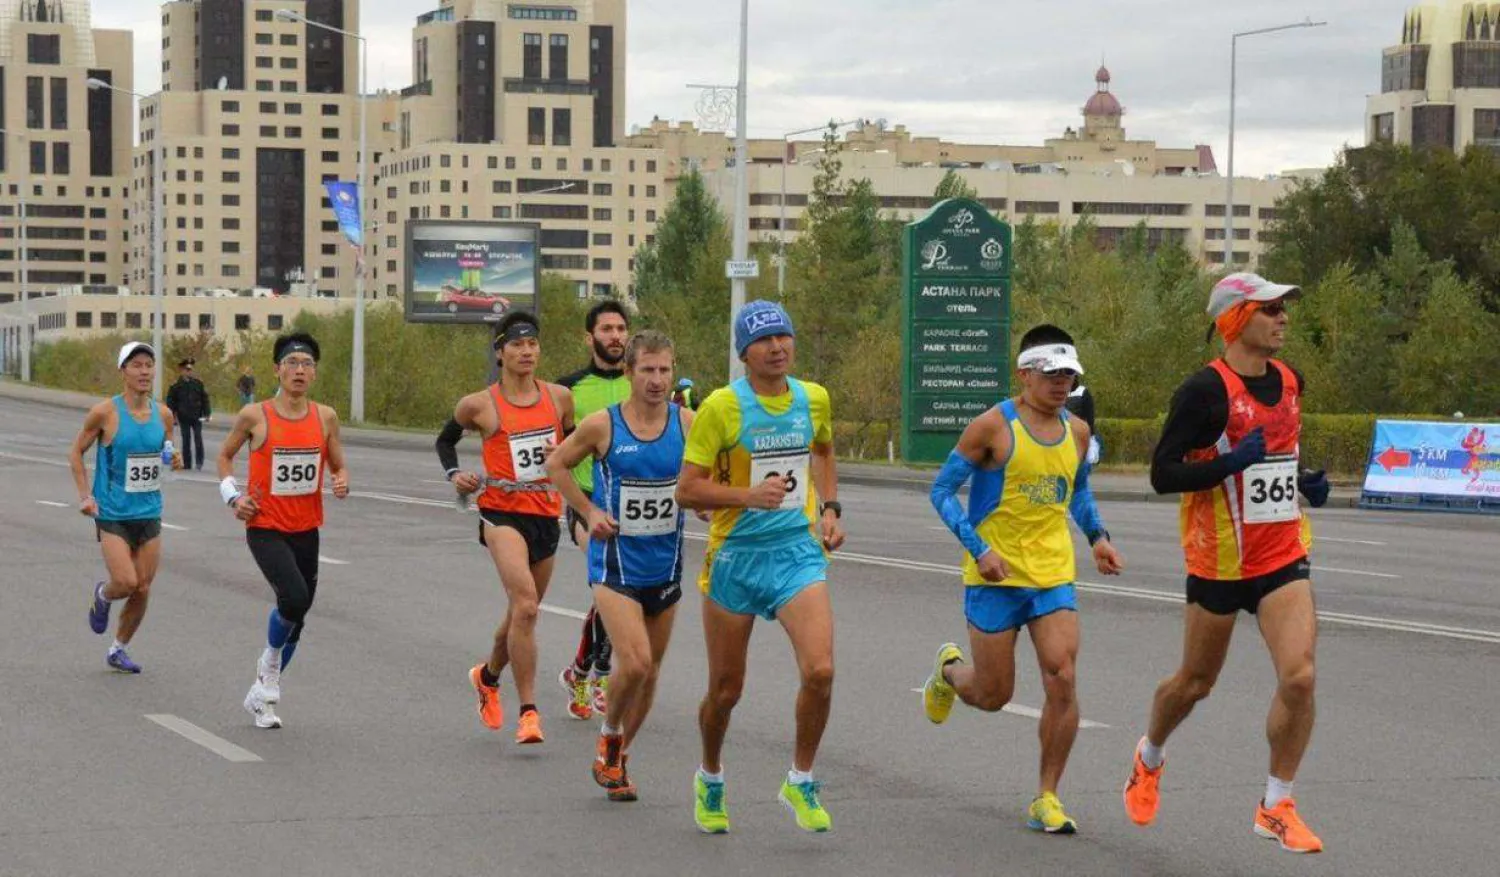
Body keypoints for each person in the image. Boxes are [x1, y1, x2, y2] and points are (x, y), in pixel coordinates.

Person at [1124, 273, 1331, 854]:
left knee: (1301, 675)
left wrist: (1302, 480)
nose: (1283, 318)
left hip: (1282, 553)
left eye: (1284, 307)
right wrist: (1230, 463)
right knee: (1194, 684)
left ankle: (1276, 803)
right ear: (1237, 319)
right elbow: (1163, 474)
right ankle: (1149, 757)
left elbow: (1280, 454)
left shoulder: (1292, 380)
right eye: (1270, 309)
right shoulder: (1203, 393)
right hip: (1218, 561)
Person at [923, 326, 1124, 835]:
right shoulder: (992, 427)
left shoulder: (1078, 432)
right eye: (1052, 375)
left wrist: (1097, 535)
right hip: (995, 575)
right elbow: (943, 491)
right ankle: (948, 673)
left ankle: (1047, 796)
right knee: (992, 695)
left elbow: (1076, 492)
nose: (1061, 385)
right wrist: (981, 549)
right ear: (1025, 374)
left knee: (1063, 675)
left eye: (1069, 377)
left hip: (1052, 573)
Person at [676, 300, 845, 835]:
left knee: (820, 670)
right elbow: (687, 490)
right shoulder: (722, 408)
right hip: (735, 558)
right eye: (764, 340)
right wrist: (747, 495)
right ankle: (710, 774)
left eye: (784, 338)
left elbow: (823, 450)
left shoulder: (812, 397)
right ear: (744, 353)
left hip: (795, 551)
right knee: (726, 690)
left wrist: (831, 508)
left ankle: (800, 778)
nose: (777, 348)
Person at [546, 330, 693, 802]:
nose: (656, 380)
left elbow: (705, 482)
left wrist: (711, 505)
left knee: (650, 674)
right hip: (614, 566)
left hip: (666, 566)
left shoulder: (688, 423)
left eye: (664, 370)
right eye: (647, 370)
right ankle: (610, 733)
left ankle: (619, 755)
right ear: (629, 373)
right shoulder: (602, 425)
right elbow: (556, 465)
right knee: (636, 659)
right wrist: (588, 512)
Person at [439, 311, 575, 745]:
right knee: (528, 606)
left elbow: (575, 447)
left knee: (520, 614)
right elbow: (445, 440)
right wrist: (454, 474)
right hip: (500, 513)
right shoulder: (479, 404)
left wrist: (565, 454)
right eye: (517, 344)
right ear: (500, 352)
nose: (527, 351)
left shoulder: (559, 398)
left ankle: (488, 675)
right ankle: (529, 712)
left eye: (532, 343)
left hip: (544, 514)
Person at [217, 333, 350, 729]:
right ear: (277, 369)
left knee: (299, 614)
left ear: (314, 373)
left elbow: (339, 465)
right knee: (293, 598)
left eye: (307, 364)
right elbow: (224, 456)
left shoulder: (325, 416)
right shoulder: (255, 415)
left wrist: (341, 480)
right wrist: (232, 497)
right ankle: (269, 667)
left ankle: (261, 698)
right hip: (265, 526)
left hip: (306, 528)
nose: (299, 370)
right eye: (291, 363)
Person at [67, 342, 183, 673]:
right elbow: (76, 453)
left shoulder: (163, 414)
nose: (145, 371)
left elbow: (169, 456)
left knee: (144, 587)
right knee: (126, 582)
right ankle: (103, 594)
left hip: (149, 511)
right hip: (113, 513)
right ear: (124, 371)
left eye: (149, 365)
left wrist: (175, 459)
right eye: (137, 365)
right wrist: (85, 496)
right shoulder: (105, 413)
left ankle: (118, 649)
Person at [555, 300, 632, 721]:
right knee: (611, 588)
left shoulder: (642, 383)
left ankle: (580, 670)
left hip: (635, 506)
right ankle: (601, 674)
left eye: (621, 328)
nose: (615, 336)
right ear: (590, 337)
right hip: (587, 502)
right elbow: (555, 450)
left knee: (623, 592)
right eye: (606, 329)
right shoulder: (569, 389)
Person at [165, 357, 211, 471]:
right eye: (187, 369)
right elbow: (171, 402)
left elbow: (205, 399)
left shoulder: (198, 383)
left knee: (198, 438)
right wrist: (173, 417)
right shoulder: (176, 385)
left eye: (190, 369)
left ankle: (199, 462)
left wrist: (207, 414)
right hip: (183, 416)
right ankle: (187, 463)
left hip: (197, 416)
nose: (189, 372)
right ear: (182, 370)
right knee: (186, 439)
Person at [1065, 382, 1101, 466]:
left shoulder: (1083, 392)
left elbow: (1090, 415)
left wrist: (1091, 435)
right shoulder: (1058, 392)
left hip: (1079, 432)